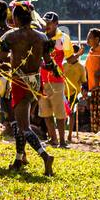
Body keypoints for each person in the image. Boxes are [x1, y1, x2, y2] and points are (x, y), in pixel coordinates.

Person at [0, 1, 57, 174]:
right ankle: (18, 159)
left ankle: (45, 156)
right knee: (24, 122)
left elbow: (0, 60)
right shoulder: (42, 37)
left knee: (23, 127)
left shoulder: (11, 36)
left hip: (20, 83)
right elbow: (49, 64)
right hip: (36, 82)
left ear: (15, 18)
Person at [37, 12, 69, 148]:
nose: (47, 25)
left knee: (60, 112)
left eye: (50, 23)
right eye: (45, 22)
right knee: (46, 112)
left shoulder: (63, 38)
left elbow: (69, 57)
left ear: (56, 24)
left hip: (56, 80)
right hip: (42, 79)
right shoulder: (40, 37)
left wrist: (77, 56)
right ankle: (53, 139)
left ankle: (62, 141)